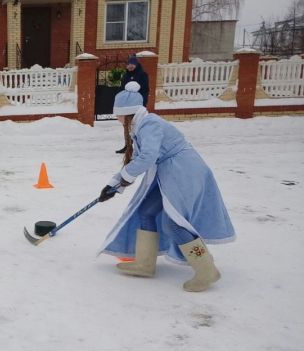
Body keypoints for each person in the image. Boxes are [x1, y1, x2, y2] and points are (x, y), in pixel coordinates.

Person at [98, 81, 235, 292]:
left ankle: (206, 269)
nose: (116, 118)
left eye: (118, 114)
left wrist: (124, 179)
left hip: (184, 172)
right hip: (169, 173)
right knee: (146, 211)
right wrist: (115, 184)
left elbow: (148, 156)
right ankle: (145, 264)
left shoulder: (149, 125)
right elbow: (136, 159)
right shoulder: (140, 126)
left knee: (174, 223)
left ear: (128, 113)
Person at [116, 55, 150, 154]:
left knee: (138, 126)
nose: (130, 66)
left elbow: (145, 90)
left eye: (132, 64)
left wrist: (142, 103)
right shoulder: (125, 75)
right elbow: (122, 90)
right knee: (126, 126)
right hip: (127, 107)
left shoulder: (142, 75)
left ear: (136, 64)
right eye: (129, 64)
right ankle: (128, 146)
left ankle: (140, 147)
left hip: (138, 106)